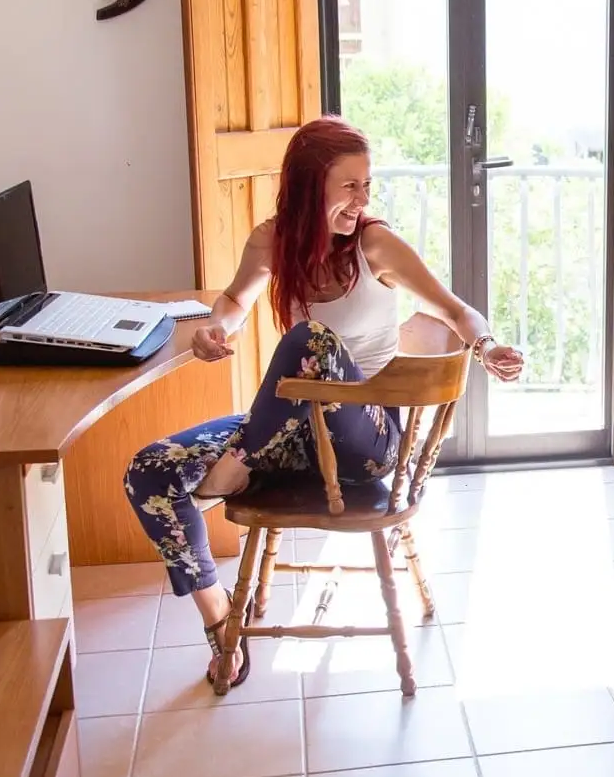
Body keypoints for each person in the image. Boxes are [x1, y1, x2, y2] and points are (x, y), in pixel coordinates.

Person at [125, 117, 524, 687]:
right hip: (289, 433)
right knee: (148, 471)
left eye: (367, 185)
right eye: (350, 186)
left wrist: (486, 345)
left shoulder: (376, 244)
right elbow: (235, 299)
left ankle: (236, 467)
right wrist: (215, 328)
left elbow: (457, 311)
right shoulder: (270, 242)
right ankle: (219, 624)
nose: (363, 199)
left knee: (310, 340)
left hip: (366, 442)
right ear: (311, 186)